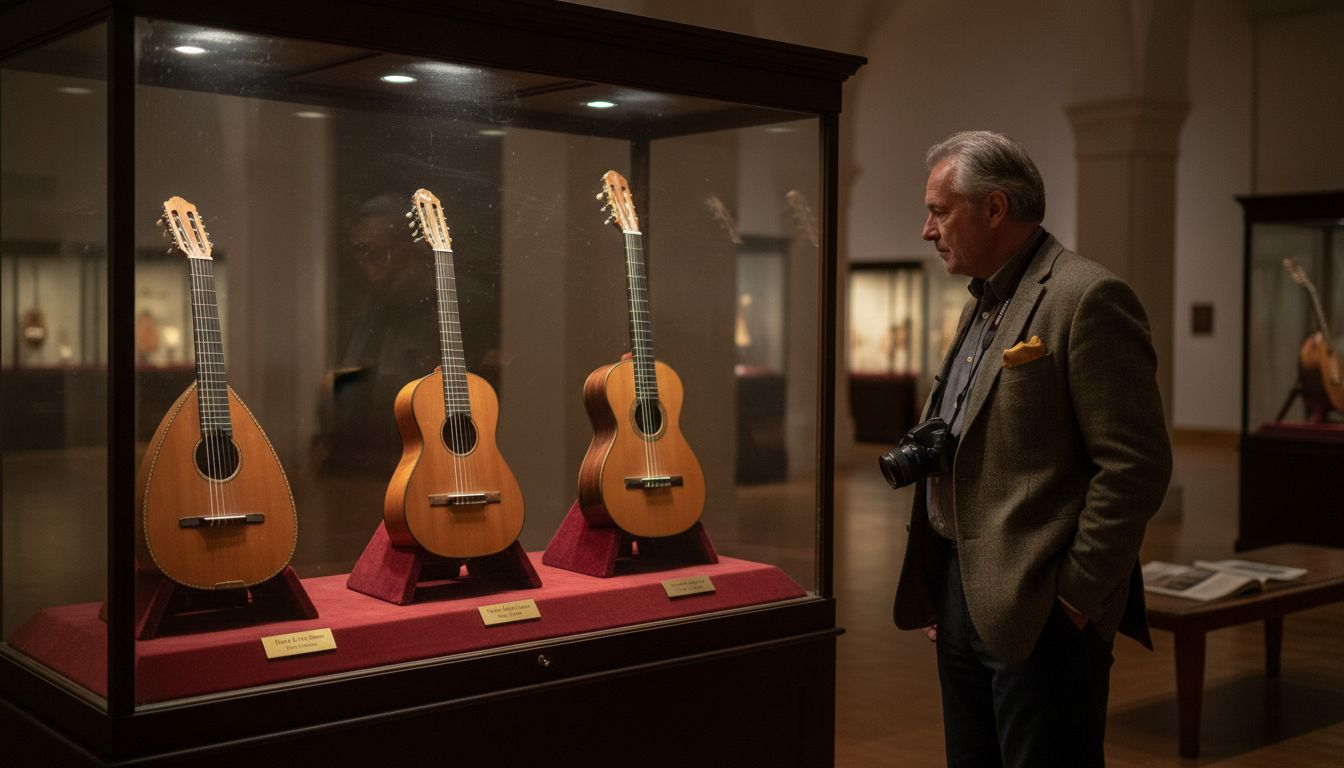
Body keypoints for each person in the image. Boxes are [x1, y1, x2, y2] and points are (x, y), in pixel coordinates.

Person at [890, 130, 1172, 767]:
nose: (927, 230)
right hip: (961, 592)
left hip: (1043, 608)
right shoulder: (987, 298)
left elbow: (1135, 467)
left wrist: (1073, 599)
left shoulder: (1086, 297)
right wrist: (946, 585)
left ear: (993, 209)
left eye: (939, 211)